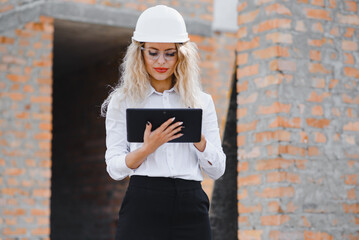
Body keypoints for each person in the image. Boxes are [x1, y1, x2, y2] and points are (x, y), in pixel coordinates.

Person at [101, 5, 226, 240]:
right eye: (153, 52)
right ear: (140, 52)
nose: (161, 61)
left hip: (191, 205)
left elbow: (217, 170)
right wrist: (147, 149)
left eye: (170, 53)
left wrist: (199, 140)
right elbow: (114, 169)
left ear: (182, 54)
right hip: (143, 203)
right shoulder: (123, 101)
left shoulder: (201, 102)